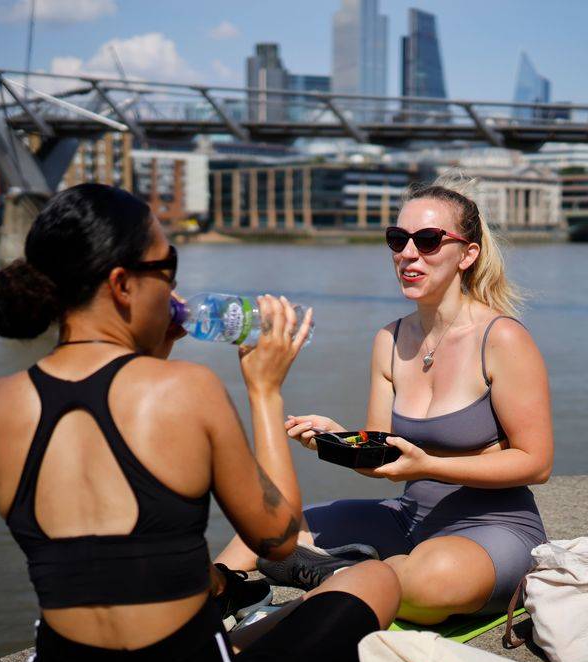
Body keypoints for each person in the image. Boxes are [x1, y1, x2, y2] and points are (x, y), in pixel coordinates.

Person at [0, 184, 400, 662]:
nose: (176, 290)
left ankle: (236, 610)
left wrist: (150, 343)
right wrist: (265, 390)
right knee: (374, 580)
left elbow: (99, 553)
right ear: (122, 285)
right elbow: (277, 537)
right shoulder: (186, 390)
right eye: (166, 267)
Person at [216, 178, 552, 625]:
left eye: (429, 241)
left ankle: (318, 594)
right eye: (399, 239)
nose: (409, 254)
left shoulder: (502, 337)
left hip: (492, 530)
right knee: (263, 534)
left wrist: (428, 466)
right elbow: (380, 456)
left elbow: (536, 463)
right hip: (405, 520)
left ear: (467, 255)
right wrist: (335, 440)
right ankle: (195, 610)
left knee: (426, 579)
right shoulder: (389, 340)